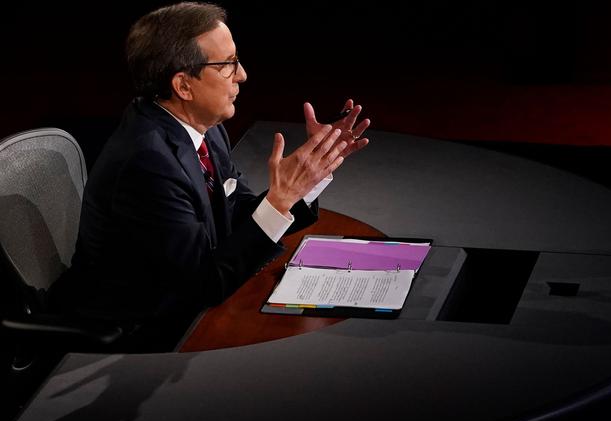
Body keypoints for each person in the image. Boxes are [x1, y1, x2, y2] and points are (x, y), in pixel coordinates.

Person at [47, 2, 370, 344]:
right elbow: (203, 285)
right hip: (142, 332)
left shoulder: (202, 127)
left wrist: (305, 181)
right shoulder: (147, 163)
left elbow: (232, 216)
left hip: (190, 302)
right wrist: (279, 202)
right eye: (228, 64)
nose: (242, 74)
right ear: (183, 86)